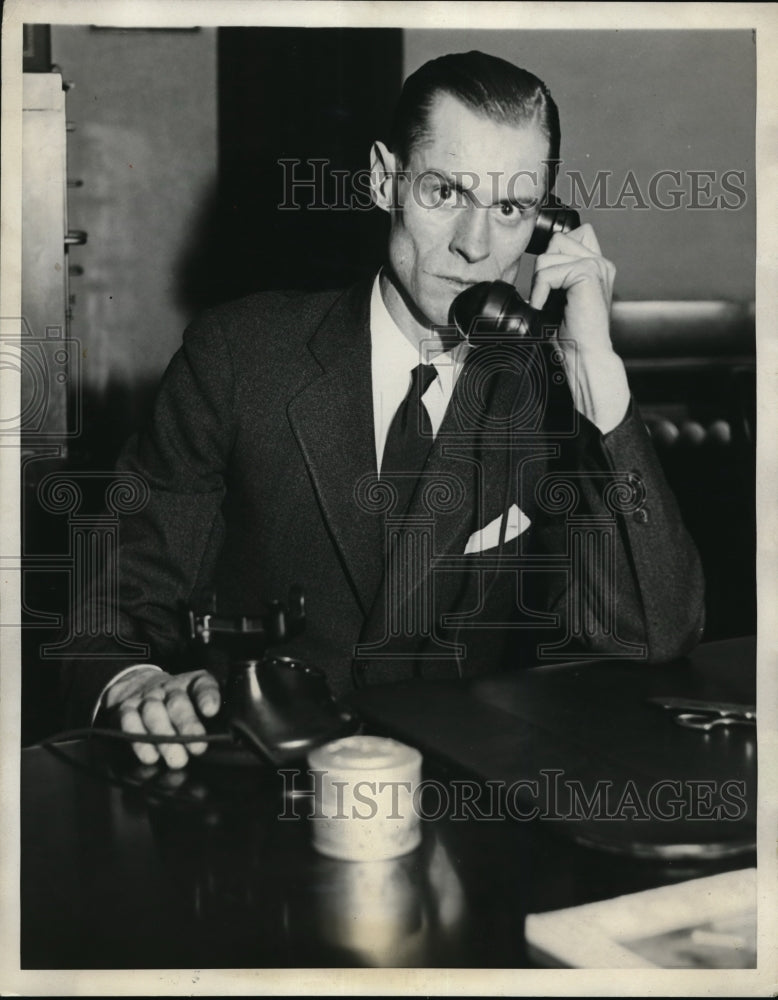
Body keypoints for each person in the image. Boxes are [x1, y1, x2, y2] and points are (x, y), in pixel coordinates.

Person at [60, 51, 704, 768]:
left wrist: (598, 379)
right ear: (383, 179)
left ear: (544, 224)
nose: (473, 246)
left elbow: (651, 635)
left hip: (463, 800)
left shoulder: (544, 396)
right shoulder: (239, 358)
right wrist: (136, 682)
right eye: (445, 192)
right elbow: (110, 609)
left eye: (509, 209)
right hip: (260, 789)